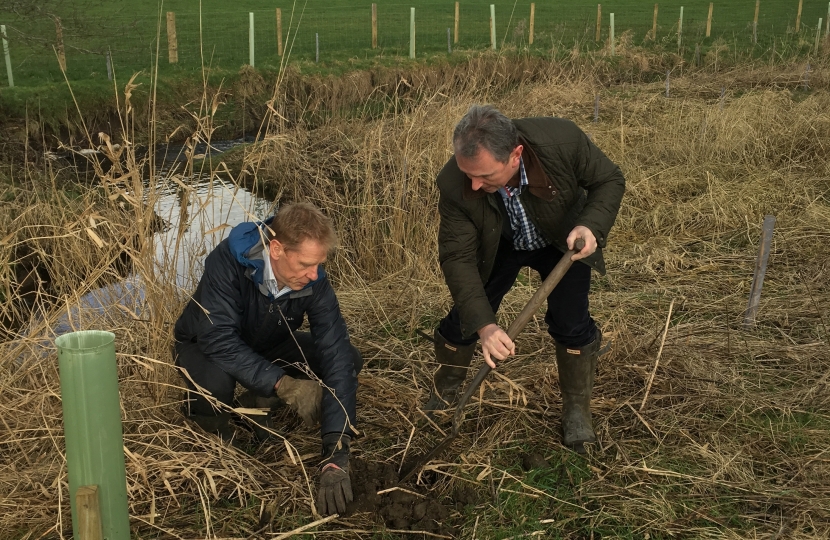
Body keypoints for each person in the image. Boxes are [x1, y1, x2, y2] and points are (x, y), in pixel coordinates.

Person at [424, 105, 625, 453]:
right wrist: (486, 327)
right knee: (466, 319)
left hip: (563, 239)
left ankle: (577, 410)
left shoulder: (562, 141)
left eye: (485, 176)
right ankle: (445, 391)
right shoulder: (455, 182)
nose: (474, 183)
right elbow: (457, 257)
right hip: (498, 242)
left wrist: (590, 226)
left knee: (571, 323)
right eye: (467, 173)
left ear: (515, 155)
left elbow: (609, 180)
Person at [173, 202, 359, 516]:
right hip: (204, 345)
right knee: (215, 383)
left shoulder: (313, 279)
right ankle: (214, 434)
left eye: (319, 264)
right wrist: (285, 385)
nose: (314, 274)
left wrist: (336, 448)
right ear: (276, 249)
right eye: (305, 264)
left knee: (350, 360)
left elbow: (335, 350)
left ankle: (257, 400)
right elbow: (219, 340)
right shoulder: (227, 261)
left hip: (267, 343)